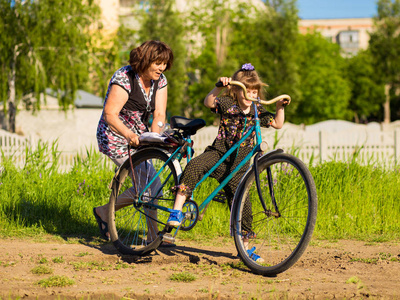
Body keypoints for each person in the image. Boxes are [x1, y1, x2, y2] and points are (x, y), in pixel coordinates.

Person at [167, 63, 288, 260]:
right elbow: (208, 102)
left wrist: (279, 108)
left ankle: (245, 248)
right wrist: (218, 87)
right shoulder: (227, 104)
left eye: (254, 92)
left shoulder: (258, 111)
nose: (250, 96)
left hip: (239, 165)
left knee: (243, 205)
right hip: (219, 153)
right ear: (235, 91)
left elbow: (278, 123)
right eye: (246, 91)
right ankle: (176, 211)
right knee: (194, 165)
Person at [93, 40, 174, 245]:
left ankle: (104, 212)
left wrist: (154, 138)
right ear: (145, 60)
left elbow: (160, 114)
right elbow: (110, 114)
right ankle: (154, 235)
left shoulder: (160, 81)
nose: (161, 68)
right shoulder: (125, 77)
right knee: (151, 183)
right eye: (157, 63)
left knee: (150, 184)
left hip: (139, 139)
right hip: (116, 137)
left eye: (164, 64)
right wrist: (129, 135)